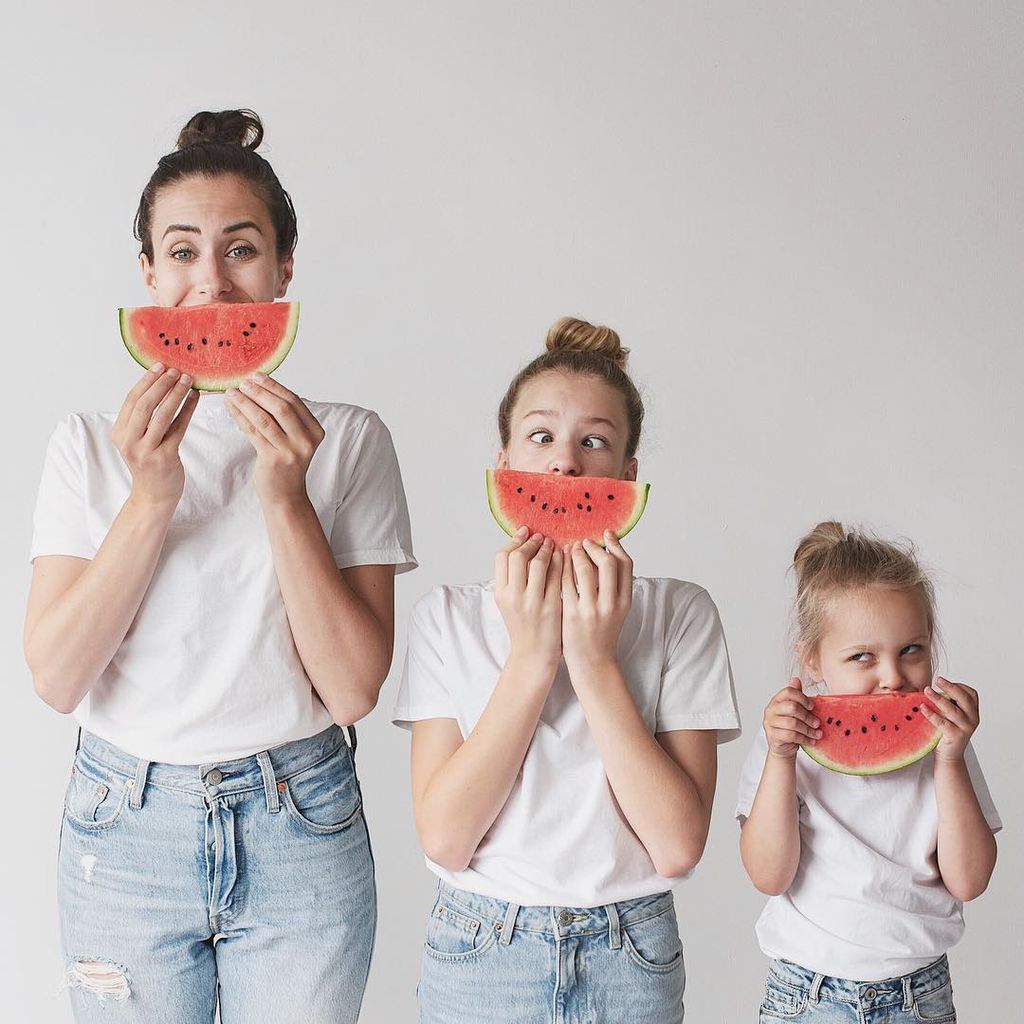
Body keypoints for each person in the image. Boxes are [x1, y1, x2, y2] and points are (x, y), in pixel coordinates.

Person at [24, 108, 416, 1023]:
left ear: (283, 271)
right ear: (149, 276)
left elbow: (354, 688)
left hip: (302, 822)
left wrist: (285, 495)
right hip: (125, 830)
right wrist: (150, 494)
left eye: (242, 251)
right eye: (184, 252)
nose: (213, 284)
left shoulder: (348, 442)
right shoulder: (86, 446)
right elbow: (56, 674)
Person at [393, 317, 741, 1023]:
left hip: (631, 952)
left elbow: (676, 847)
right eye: (542, 436)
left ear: (628, 477)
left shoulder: (681, 614)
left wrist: (593, 658)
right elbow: (446, 838)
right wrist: (531, 659)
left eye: (595, 442)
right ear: (504, 466)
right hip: (480, 949)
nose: (565, 466)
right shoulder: (448, 618)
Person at [736, 521, 1000, 1023]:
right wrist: (781, 757)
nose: (893, 678)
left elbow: (969, 881)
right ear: (812, 660)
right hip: (805, 992)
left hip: (917, 996)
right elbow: (769, 876)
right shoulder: (784, 742)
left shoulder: (945, 742)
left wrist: (949, 758)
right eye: (862, 656)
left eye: (912, 650)